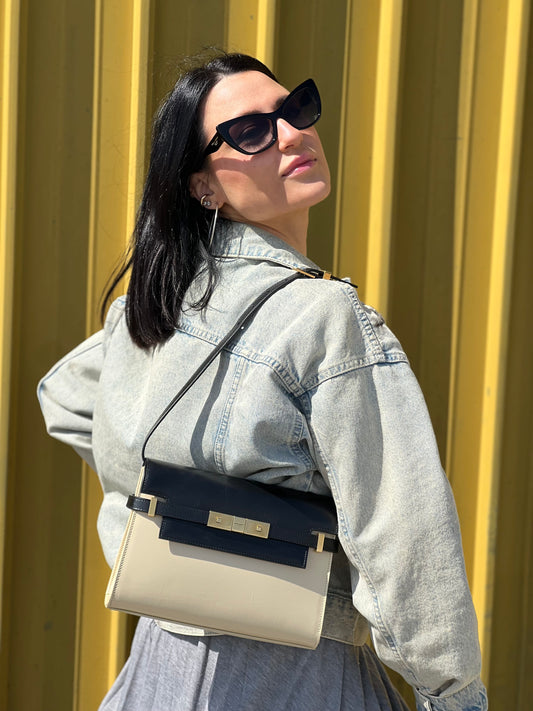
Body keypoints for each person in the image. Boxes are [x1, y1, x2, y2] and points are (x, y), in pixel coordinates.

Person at [38, 52, 488, 711]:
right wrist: (454, 697)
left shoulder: (153, 304)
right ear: (203, 186)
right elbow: (403, 543)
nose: (291, 134)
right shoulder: (327, 320)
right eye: (249, 132)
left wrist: (181, 505)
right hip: (298, 673)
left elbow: (66, 398)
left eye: (295, 108)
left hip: (158, 666)